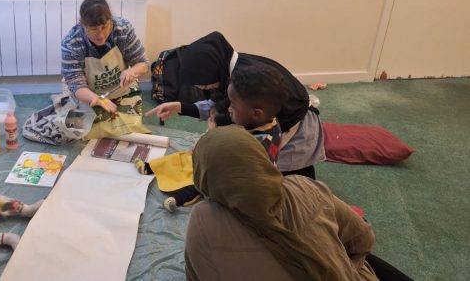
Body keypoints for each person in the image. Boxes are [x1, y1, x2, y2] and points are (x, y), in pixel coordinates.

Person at [186, 125, 382, 280]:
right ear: (260, 158)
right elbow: (364, 239)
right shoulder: (306, 187)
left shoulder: (203, 219)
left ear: (204, 179)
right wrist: (342, 268)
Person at [146, 31, 324, 178]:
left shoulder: (249, 93)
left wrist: (212, 141)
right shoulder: (232, 73)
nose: (202, 89)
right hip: (281, 126)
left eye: (204, 85)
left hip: (298, 132)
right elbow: (219, 105)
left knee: (288, 177)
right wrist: (180, 107)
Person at [134, 64, 286, 212]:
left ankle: (185, 195)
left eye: (233, 105)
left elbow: (242, 182)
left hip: (231, 184)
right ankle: (152, 167)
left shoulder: (260, 146)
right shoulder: (255, 120)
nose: (228, 108)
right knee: (183, 158)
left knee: (202, 180)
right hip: (223, 163)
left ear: (256, 113)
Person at [61, 0, 150, 137]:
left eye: (104, 26)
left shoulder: (123, 29)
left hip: (120, 89)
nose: (101, 35)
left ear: (110, 20)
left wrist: (132, 71)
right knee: (82, 132)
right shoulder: (71, 43)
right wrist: (94, 98)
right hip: (87, 93)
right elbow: (75, 83)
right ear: (83, 25)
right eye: (94, 29)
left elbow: (143, 64)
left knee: (128, 130)